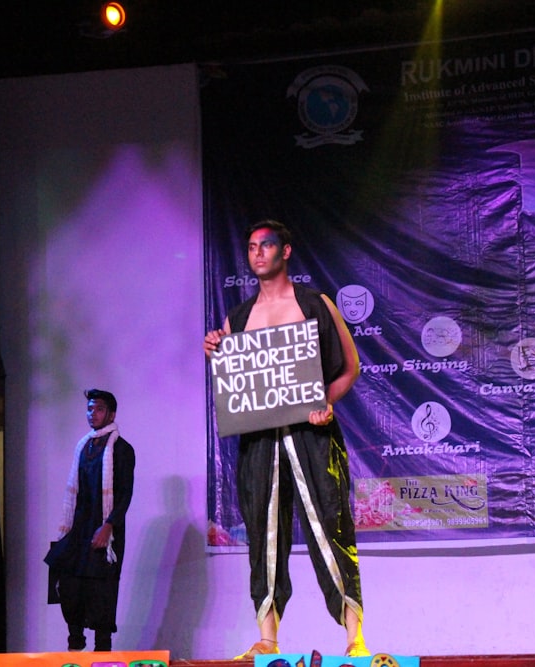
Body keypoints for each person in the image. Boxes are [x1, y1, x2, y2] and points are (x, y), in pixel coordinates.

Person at [203, 219, 368, 659]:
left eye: (267, 245)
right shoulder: (238, 318)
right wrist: (218, 349)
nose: (258, 253)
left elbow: (349, 366)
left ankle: (354, 639)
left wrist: (325, 402)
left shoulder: (316, 305)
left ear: (286, 251)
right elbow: (238, 383)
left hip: (313, 436)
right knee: (263, 535)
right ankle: (268, 640)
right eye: (252, 246)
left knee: (330, 526)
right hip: (260, 442)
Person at [45, 389, 136, 652]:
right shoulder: (83, 446)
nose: (91, 414)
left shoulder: (121, 450)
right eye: (89, 408)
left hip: (106, 533)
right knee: (70, 589)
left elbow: (125, 494)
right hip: (79, 530)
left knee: (102, 599)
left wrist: (108, 526)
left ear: (111, 413)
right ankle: (75, 649)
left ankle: (101, 654)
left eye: (97, 409)